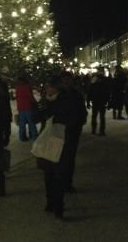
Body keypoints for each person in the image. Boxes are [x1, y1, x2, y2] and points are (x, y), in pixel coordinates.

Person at [37, 76, 79, 219]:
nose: (46, 90)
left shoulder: (66, 100)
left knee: (58, 174)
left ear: (55, 88)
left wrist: (60, 123)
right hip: (47, 140)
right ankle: (50, 202)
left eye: (48, 87)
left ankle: (58, 206)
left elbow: (73, 118)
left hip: (61, 140)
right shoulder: (46, 101)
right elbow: (39, 118)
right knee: (48, 174)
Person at [60, 71, 88, 192]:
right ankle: (60, 182)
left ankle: (67, 183)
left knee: (69, 158)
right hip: (60, 131)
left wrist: (79, 122)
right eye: (64, 80)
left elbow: (82, 111)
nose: (66, 82)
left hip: (72, 131)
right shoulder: (58, 95)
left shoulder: (76, 94)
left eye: (68, 80)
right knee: (60, 158)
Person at [15, 75, 38, 141]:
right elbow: (30, 97)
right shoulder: (27, 87)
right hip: (28, 107)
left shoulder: (18, 87)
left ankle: (22, 137)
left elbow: (17, 97)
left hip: (21, 107)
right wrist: (35, 103)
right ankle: (34, 137)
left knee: (22, 123)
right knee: (31, 123)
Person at [88, 69, 110, 135]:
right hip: (99, 102)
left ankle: (96, 130)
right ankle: (100, 130)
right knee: (100, 117)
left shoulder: (94, 85)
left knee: (97, 116)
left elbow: (90, 93)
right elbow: (107, 94)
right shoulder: (104, 85)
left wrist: (88, 102)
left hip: (97, 102)